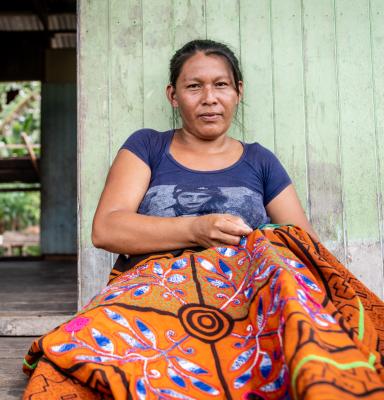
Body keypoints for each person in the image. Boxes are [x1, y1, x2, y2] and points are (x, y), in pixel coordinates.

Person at [23, 40, 384, 400]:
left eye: (221, 85)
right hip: (154, 297)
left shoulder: (260, 161)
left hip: (243, 301)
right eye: (194, 86)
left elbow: (303, 245)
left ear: (238, 92)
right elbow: (106, 229)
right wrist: (197, 229)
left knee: (300, 339)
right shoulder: (148, 147)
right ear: (173, 95)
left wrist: (257, 245)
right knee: (85, 349)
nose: (209, 98)